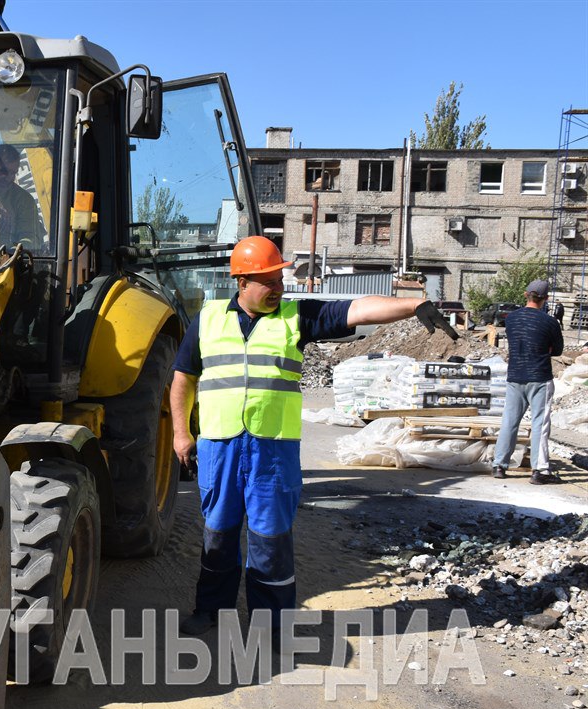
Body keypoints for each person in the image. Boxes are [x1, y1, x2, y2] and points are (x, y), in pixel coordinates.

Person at [169, 237, 458, 636]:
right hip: (220, 446)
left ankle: (272, 626)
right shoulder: (208, 319)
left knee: (270, 539)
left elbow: (356, 310)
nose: (279, 287)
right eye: (269, 281)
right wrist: (180, 434)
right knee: (218, 533)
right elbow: (183, 378)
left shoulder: (296, 317)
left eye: (280, 278)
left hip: (272, 450)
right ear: (242, 281)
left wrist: (413, 306)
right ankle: (210, 611)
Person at [492, 279, 563, 484]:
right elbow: (557, 350)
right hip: (539, 377)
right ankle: (539, 470)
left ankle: (499, 465)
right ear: (546, 299)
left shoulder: (511, 318)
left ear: (526, 295)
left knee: (509, 421)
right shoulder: (550, 322)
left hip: (515, 376)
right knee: (540, 423)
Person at [0, 144, 43, 249]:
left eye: (13, 173)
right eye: (4, 172)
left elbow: (30, 237)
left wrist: (13, 254)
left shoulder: (23, 199)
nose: (9, 178)